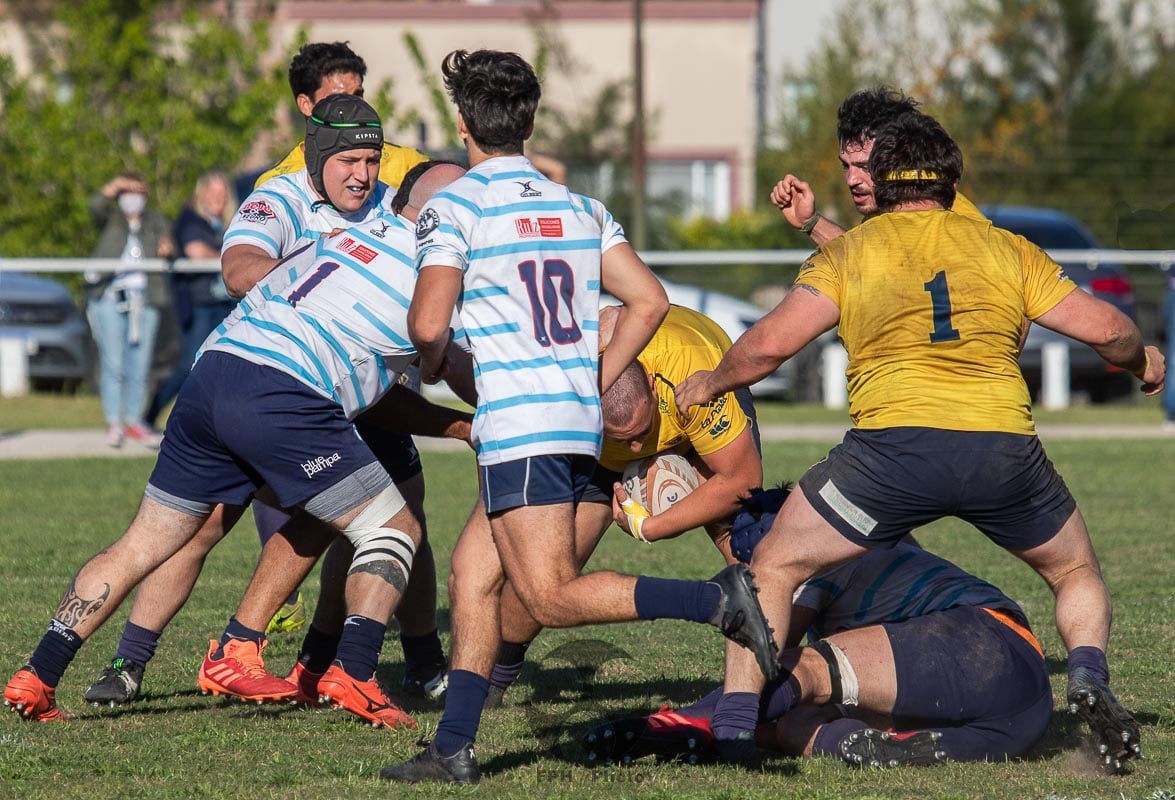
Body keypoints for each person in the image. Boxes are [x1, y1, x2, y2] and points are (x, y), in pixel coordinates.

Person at [674, 111, 1164, 775]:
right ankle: (1086, 673)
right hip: (1001, 453)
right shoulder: (1004, 247)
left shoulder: (851, 253)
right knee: (1072, 570)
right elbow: (1107, 329)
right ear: (951, 181)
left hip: (891, 456)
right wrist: (1141, 365)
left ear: (879, 180)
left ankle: (735, 727)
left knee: (774, 569)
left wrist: (711, 379)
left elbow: (769, 344)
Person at [379, 49, 775, 786]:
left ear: (461, 123)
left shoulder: (453, 205)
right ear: (529, 120)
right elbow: (648, 301)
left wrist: (434, 368)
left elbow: (429, 324)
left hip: (521, 426)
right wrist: (591, 373)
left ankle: (713, 599)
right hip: (572, 423)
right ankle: (453, 747)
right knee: (472, 574)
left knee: (548, 595)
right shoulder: (577, 205)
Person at [1, 162, 476, 726]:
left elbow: (369, 388)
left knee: (146, 541)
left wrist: (460, 426)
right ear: (443, 214)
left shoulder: (340, 239)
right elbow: (449, 358)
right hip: (281, 393)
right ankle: (351, 671)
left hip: (213, 376)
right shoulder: (432, 271)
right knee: (395, 526)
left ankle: (38, 674)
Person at [583, 488, 1052, 769]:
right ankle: (854, 745)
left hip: (988, 644)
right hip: (1017, 718)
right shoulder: (863, 541)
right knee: (799, 718)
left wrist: (690, 712)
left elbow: (766, 657)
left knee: (800, 672)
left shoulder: (812, 557)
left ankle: (686, 725)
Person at [484, 304, 765, 705]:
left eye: (641, 433)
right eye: (624, 439)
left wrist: (649, 527)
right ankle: (494, 679)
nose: (637, 449)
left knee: (748, 554)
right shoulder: (568, 393)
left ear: (650, 383)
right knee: (544, 577)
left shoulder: (692, 374)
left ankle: (761, 686)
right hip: (597, 456)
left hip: (694, 414)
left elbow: (741, 480)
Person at [85, 171, 175, 448]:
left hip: (145, 299)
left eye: (137, 192)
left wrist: (168, 248)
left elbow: (170, 244)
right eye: (127, 192)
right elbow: (94, 207)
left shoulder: (156, 220)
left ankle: (134, 420)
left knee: (140, 363)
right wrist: (114, 186)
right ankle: (114, 422)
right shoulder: (111, 220)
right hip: (110, 297)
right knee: (114, 363)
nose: (132, 197)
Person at [144, 171, 238, 429]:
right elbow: (197, 253)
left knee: (224, 366)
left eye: (222, 193)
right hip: (199, 304)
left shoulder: (228, 223)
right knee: (189, 365)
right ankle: (150, 414)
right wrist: (234, 258)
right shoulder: (191, 220)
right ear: (201, 194)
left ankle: (213, 424)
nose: (218, 198)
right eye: (213, 192)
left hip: (224, 304)